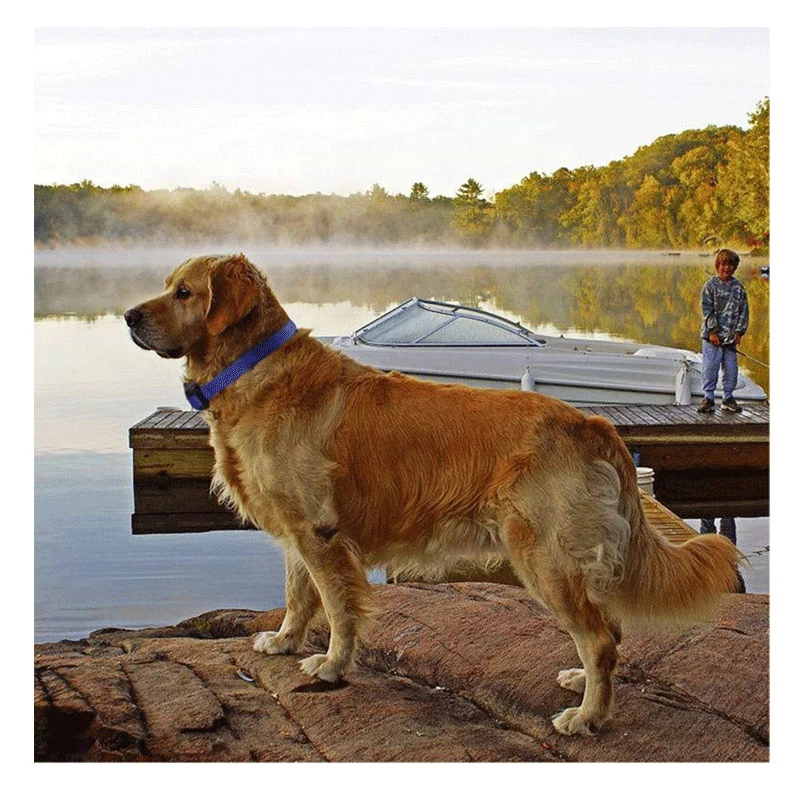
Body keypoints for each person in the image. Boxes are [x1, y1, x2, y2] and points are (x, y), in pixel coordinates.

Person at [697, 248, 749, 413]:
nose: (727, 268)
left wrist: (739, 332)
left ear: (735, 267)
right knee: (710, 367)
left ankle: (728, 398)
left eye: (731, 265)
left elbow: (744, 311)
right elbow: (707, 310)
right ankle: (709, 398)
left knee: (731, 369)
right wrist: (712, 331)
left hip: (730, 340)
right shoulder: (710, 286)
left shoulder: (738, 288)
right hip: (712, 338)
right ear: (718, 265)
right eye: (724, 264)